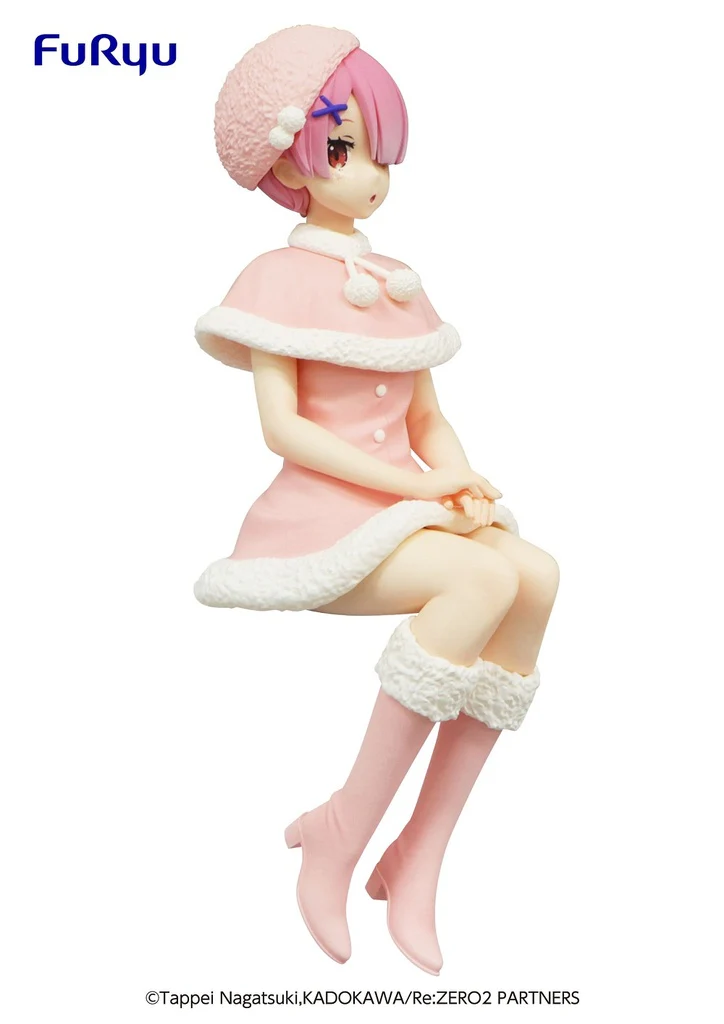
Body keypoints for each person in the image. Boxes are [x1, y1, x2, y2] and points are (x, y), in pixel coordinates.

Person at [194, 24, 559, 975]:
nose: (372, 175)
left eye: (379, 152)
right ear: (292, 161)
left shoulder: (396, 283)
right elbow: (284, 429)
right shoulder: (275, 279)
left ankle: (421, 852)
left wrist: (461, 481)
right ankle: (342, 830)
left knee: (533, 574)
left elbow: (428, 416)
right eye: (346, 149)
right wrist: (418, 486)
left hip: (408, 504)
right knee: (480, 585)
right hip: (320, 519)